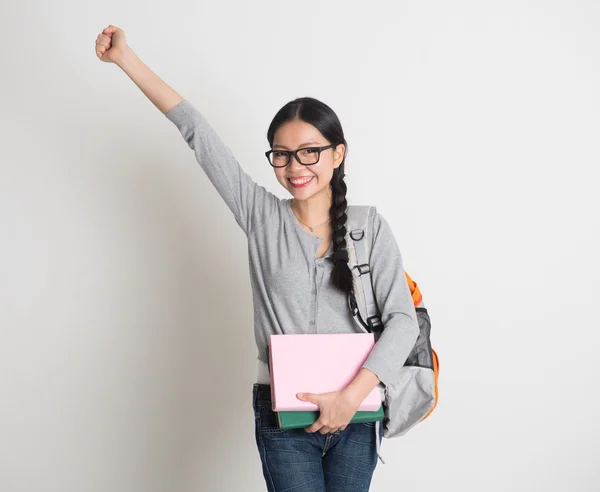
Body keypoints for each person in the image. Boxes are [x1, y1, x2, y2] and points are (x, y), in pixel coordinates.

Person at [95, 24, 420, 492]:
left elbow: (402, 321)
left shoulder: (370, 227)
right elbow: (196, 133)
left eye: (310, 152)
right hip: (281, 416)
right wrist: (126, 59)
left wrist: (351, 398)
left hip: (357, 413)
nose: (296, 166)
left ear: (337, 153)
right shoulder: (261, 216)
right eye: (283, 155)